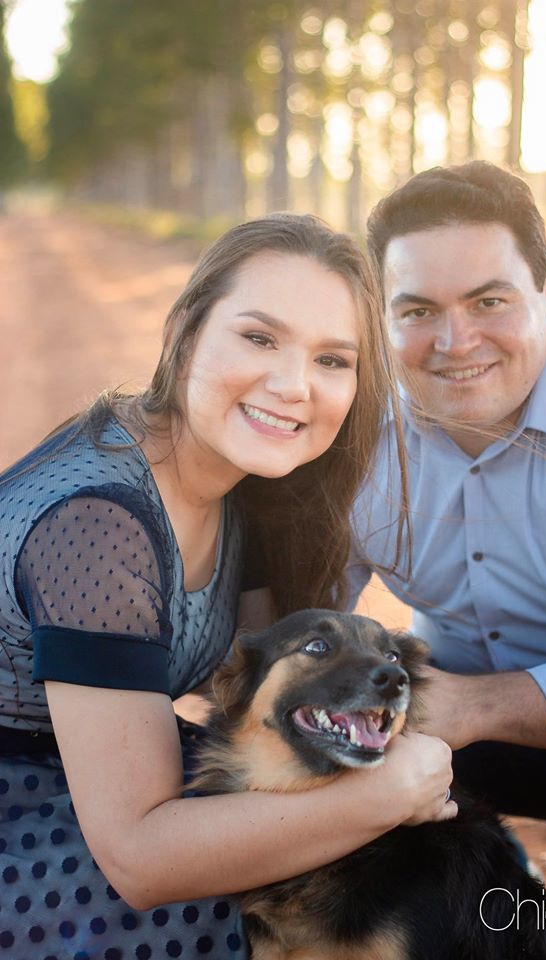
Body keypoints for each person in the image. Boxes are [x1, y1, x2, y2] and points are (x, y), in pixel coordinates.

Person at [0, 213, 457, 960]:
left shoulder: (249, 482)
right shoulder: (99, 523)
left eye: (332, 359)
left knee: (373, 865)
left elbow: (279, 703)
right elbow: (142, 858)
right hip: (24, 815)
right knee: (238, 903)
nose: (293, 386)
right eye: (259, 338)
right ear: (185, 330)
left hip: (77, 779)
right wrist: (385, 794)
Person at [348, 161, 546, 893]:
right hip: (445, 734)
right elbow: (288, 623)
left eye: (488, 301)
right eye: (418, 311)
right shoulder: (346, 427)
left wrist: (473, 707)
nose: (455, 341)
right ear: (382, 320)